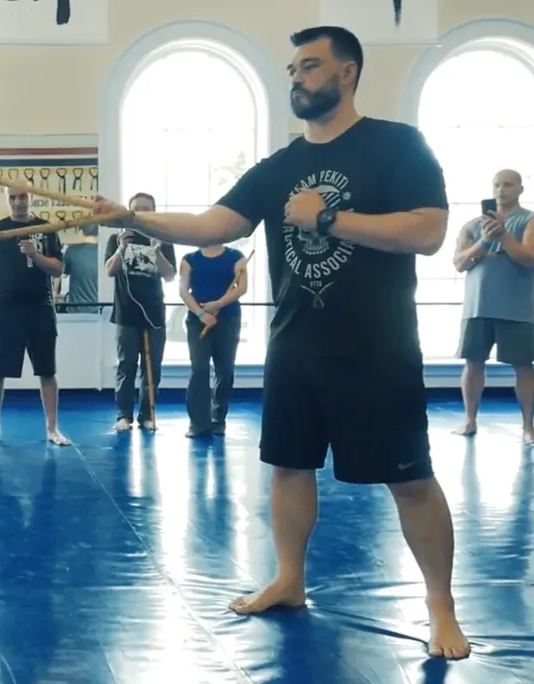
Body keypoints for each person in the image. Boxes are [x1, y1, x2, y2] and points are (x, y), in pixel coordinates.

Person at [92, 26, 470, 659]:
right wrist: (134, 218)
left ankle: (441, 607)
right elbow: (213, 223)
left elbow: (428, 232)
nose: (295, 76)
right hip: (295, 346)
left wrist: (327, 218)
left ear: (347, 73)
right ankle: (290, 579)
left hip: (378, 349)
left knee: (411, 480)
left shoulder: (396, 144)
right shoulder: (280, 166)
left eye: (310, 66)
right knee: (289, 467)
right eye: (292, 68)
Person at [0, 187, 69, 447]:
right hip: (7, 308)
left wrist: (35, 255)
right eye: (12, 197)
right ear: (7, 199)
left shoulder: (46, 229)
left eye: (22, 196)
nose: (18, 202)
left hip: (40, 307)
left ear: (30, 197)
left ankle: (53, 429)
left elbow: (58, 269)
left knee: (47, 370)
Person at [451, 169, 534, 442]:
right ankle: (469, 420)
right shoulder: (473, 225)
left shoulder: (529, 220)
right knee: (473, 363)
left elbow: (529, 258)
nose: (501, 189)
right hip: (477, 307)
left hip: (517, 308)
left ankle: (528, 426)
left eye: (508, 184)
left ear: (520, 189)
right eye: (497, 184)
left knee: (523, 366)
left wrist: (504, 235)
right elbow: (460, 263)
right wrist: (485, 241)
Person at [105, 193, 177, 431]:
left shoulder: (163, 238)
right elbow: (110, 271)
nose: (142, 212)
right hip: (125, 313)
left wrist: (157, 252)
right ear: (130, 210)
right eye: (137, 208)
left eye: (147, 208)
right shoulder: (117, 237)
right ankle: (123, 415)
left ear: (154, 211)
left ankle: (147, 414)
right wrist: (121, 248)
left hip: (154, 314)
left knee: (152, 368)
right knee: (126, 366)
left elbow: (170, 275)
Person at [179, 244, 247, 437]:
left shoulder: (236, 256)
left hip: (228, 318)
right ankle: (198, 422)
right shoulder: (189, 259)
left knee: (225, 369)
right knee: (199, 369)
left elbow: (241, 288)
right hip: (197, 319)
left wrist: (218, 304)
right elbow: (183, 291)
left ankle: (218, 419)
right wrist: (202, 314)